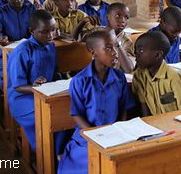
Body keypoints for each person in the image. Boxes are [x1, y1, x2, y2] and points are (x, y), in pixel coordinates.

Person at [58, 29, 136, 174]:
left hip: (114, 134)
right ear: (93, 52)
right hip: (88, 136)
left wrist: (118, 130)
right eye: (108, 48)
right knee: (85, 166)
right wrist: (95, 136)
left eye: (116, 46)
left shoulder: (119, 77)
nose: (114, 52)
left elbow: (124, 108)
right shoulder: (80, 81)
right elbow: (77, 114)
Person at [6, 10, 64, 152]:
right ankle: (45, 152)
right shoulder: (21, 51)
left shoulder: (51, 46)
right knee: (55, 116)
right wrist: (34, 87)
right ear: (31, 31)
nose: (50, 35)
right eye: (44, 32)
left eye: (53, 30)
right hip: (23, 98)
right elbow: (18, 86)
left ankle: (56, 151)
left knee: (66, 113)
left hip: (46, 94)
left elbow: (54, 72)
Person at [0, 0, 37, 86]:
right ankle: (14, 100)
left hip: (28, 52)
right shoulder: (1, 11)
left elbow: (37, 28)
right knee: (13, 79)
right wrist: (0, 38)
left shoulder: (30, 8)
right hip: (7, 55)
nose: (18, 0)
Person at [132, 31, 181, 116]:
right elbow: (143, 105)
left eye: (141, 50)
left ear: (158, 55)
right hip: (154, 124)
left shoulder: (173, 77)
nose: (135, 54)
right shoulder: (139, 75)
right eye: (135, 50)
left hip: (175, 123)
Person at [106, 2, 135, 73]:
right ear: (107, 17)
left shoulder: (126, 41)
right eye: (117, 16)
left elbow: (129, 69)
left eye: (126, 17)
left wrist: (115, 42)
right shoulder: (97, 33)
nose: (122, 20)